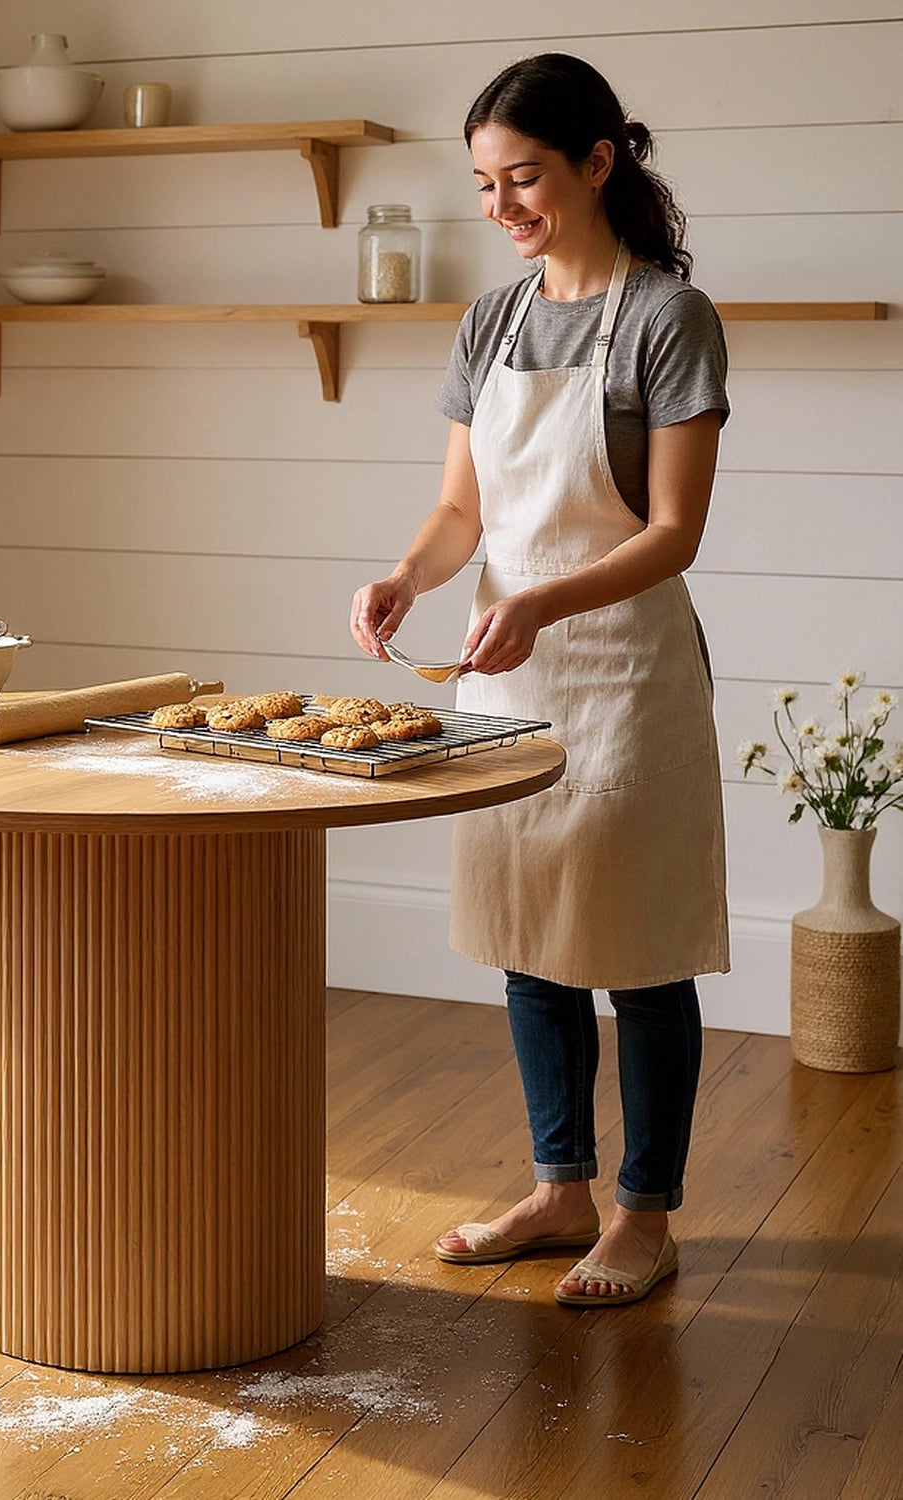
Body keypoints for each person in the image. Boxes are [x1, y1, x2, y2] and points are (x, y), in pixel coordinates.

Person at [349, 53, 730, 1307]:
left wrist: (539, 602)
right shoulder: (492, 320)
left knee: (636, 941)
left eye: (523, 178)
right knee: (530, 935)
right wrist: (410, 572)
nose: (502, 206)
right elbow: (465, 506)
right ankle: (560, 1188)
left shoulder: (668, 318)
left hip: (622, 673)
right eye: (483, 184)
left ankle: (646, 1212)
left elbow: (672, 530)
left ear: (597, 163)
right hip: (503, 674)